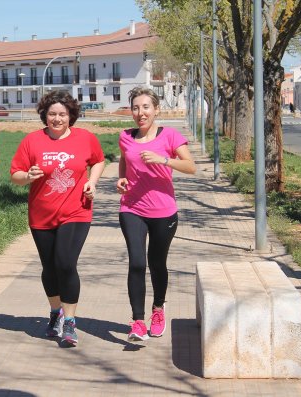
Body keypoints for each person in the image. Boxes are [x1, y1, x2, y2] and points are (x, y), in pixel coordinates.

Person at [10, 90, 105, 347]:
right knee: (49, 267)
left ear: (71, 115)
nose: (57, 119)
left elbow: (98, 161)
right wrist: (28, 176)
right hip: (41, 214)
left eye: (62, 114)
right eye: (52, 114)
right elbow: (15, 174)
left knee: (65, 263)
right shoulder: (32, 141)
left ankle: (71, 322)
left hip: (76, 211)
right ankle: (55, 313)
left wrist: (92, 183)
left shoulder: (85, 138)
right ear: (45, 115)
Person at [116, 87, 196, 341]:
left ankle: (158, 308)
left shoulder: (170, 136)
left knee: (157, 263)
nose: (140, 113)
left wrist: (163, 160)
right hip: (131, 208)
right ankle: (138, 322)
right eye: (136, 108)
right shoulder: (125, 136)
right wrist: (120, 178)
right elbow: (124, 160)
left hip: (163, 211)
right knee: (137, 263)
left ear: (156, 109)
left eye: (146, 107)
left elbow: (190, 167)